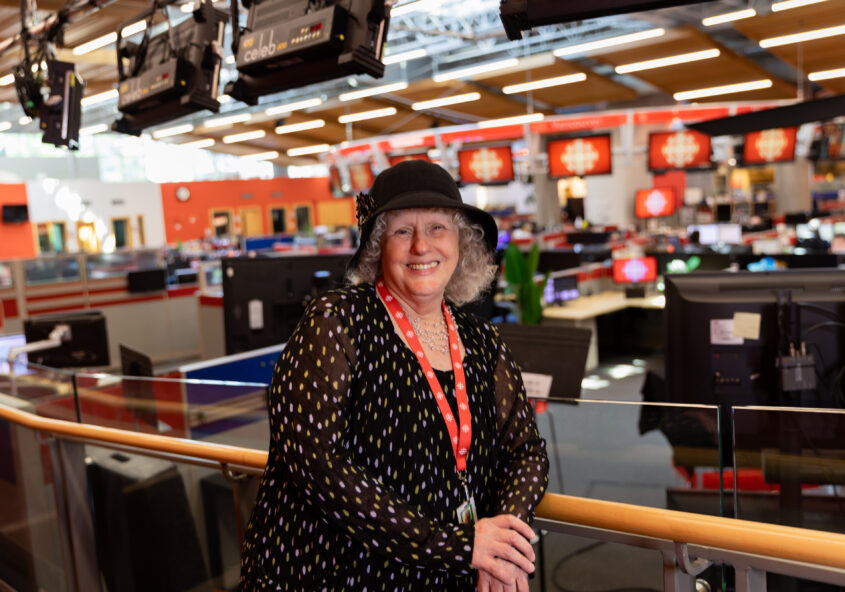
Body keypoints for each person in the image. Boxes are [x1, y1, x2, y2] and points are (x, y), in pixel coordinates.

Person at [240, 160, 549, 591]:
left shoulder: (482, 339)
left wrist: (502, 543)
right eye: (403, 230)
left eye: (438, 228)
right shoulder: (336, 322)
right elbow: (318, 467)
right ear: (377, 246)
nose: (422, 246)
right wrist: (458, 547)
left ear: (462, 243)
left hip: (446, 575)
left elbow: (527, 452)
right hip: (334, 576)